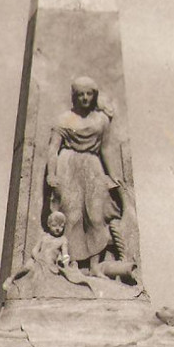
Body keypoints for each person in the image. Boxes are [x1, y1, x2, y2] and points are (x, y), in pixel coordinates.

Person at [46, 77, 124, 275]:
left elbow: (105, 148)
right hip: (68, 164)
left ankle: (95, 264)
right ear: (74, 96)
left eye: (89, 94)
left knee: (96, 215)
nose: (85, 98)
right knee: (71, 215)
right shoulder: (63, 119)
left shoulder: (101, 120)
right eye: (80, 94)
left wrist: (113, 175)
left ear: (94, 95)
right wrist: (51, 174)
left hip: (92, 166)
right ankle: (70, 263)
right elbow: (53, 148)